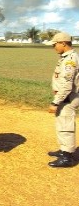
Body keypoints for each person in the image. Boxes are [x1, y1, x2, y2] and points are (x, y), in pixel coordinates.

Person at [45, 32, 79, 168]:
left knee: (66, 125)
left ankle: (67, 157)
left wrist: (55, 102)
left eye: (55, 44)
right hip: (65, 97)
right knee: (62, 123)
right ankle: (64, 149)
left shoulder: (70, 59)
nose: (54, 47)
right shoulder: (66, 57)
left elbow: (66, 85)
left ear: (63, 43)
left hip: (68, 98)